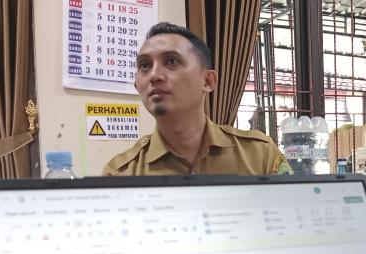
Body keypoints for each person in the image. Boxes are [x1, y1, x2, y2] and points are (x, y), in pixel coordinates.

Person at [103, 22, 292, 176]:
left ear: (208, 81)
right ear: (137, 86)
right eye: (145, 65)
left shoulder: (260, 156)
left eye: (171, 61)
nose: (154, 75)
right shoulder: (121, 174)